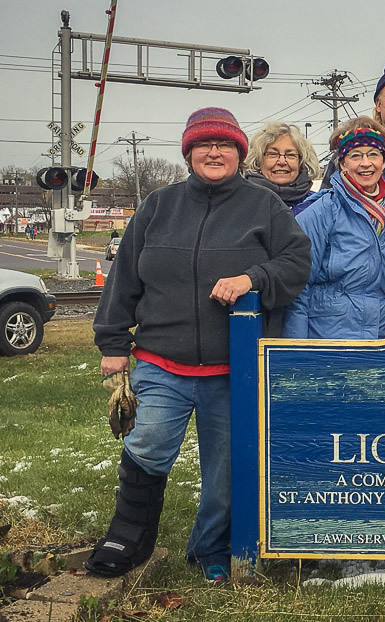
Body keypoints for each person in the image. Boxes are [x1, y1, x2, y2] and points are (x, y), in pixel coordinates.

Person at [86, 107, 311, 582]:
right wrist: (112, 343)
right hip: (160, 361)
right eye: (204, 144)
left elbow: (296, 262)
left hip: (234, 367)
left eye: (225, 144)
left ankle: (211, 547)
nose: (214, 152)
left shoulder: (264, 206)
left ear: (239, 153)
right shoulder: (158, 206)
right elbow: (124, 277)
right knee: (146, 446)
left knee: (226, 469)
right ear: (188, 153)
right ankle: (128, 536)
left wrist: (252, 277)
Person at [283, 116, 385, 339]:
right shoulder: (320, 213)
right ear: (343, 163)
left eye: (373, 154)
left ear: (384, 162)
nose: (365, 163)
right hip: (330, 342)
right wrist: (298, 354)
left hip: (384, 341)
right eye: (355, 156)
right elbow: (298, 289)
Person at [245, 121, 322, 214]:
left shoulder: (318, 205)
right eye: (273, 154)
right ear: (258, 161)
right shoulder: (242, 202)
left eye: (290, 155)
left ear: (301, 162)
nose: (282, 162)